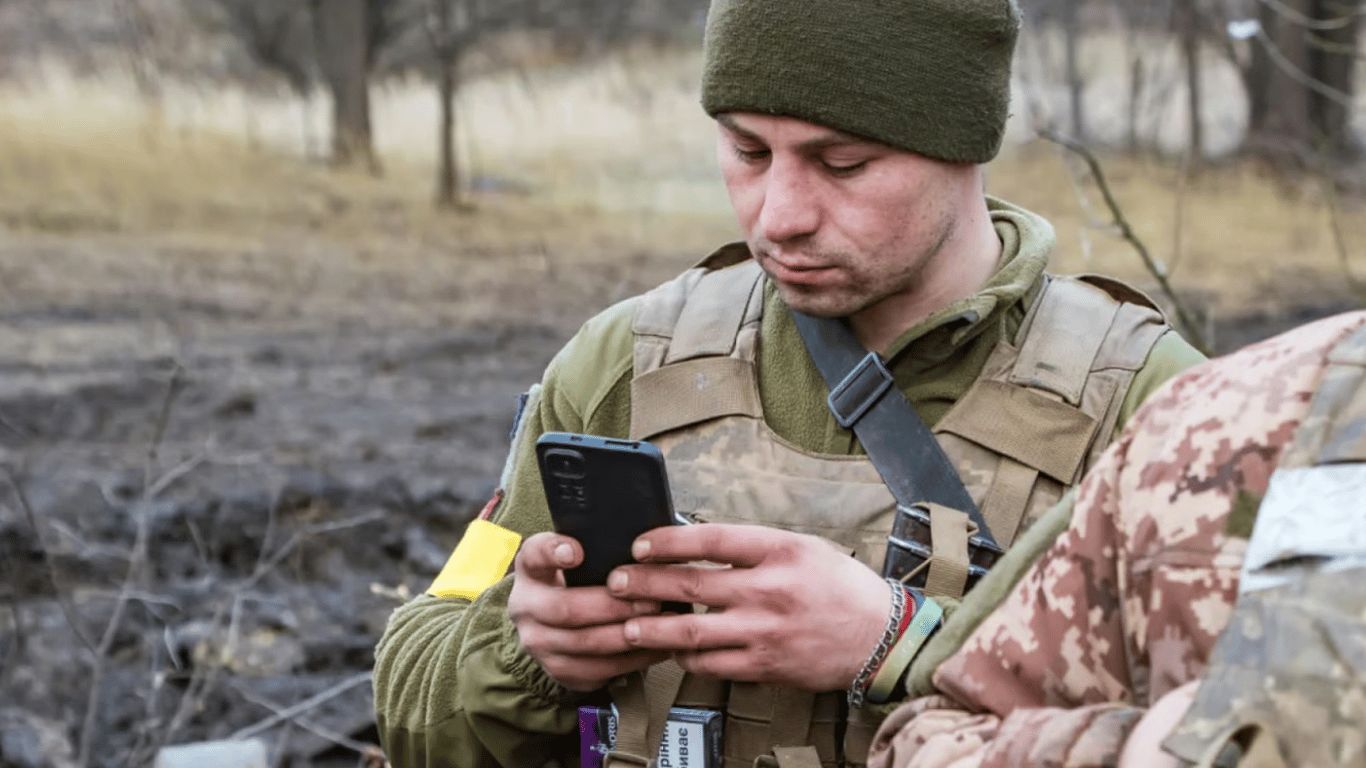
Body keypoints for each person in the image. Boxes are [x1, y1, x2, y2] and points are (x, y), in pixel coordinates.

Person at [372, 1, 1206, 766]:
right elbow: (414, 702)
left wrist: (903, 642)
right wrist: (530, 653)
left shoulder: (1158, 407)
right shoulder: (624, 362)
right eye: (746, 151)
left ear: (963, 142)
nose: (778, 217)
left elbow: (1257, 730)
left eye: (840, 162)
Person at [866, 309, 1366, 768]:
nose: (788, 225)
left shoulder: (1148, 371)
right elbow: (946, 731)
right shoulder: (1223, 421)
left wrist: (900, 636)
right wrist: (1131, 750)